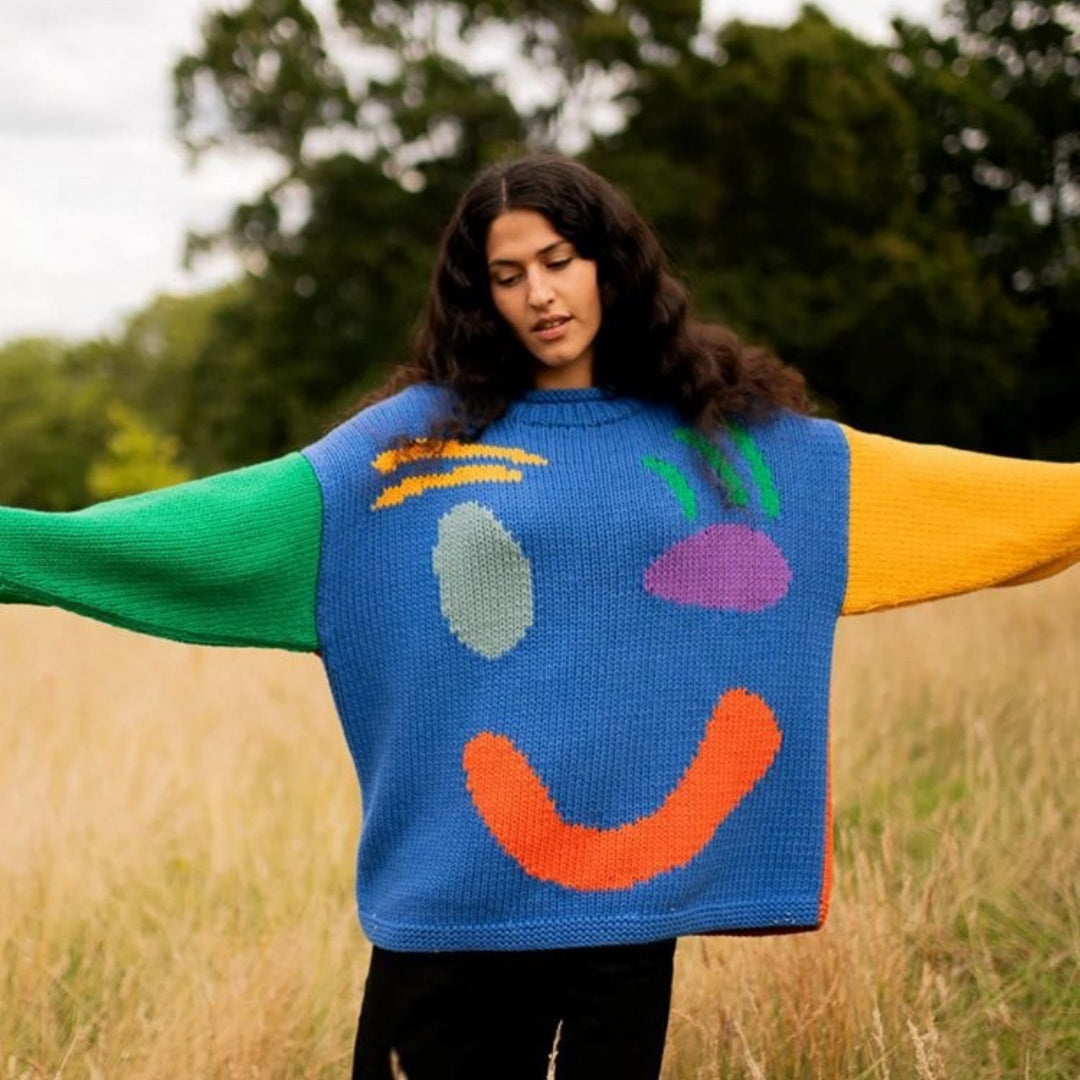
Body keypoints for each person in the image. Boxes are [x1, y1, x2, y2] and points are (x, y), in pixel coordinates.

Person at [1, 153, 1078, 1080]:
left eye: (559, 260)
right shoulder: (403, 453)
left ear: (612, 259)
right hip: (454, 910)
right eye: (508, 275)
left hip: (627, 920)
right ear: (482, 297)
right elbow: (206, 529)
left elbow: (963, 499)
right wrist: (21, 547)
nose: (540, 296)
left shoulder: (734, 441)